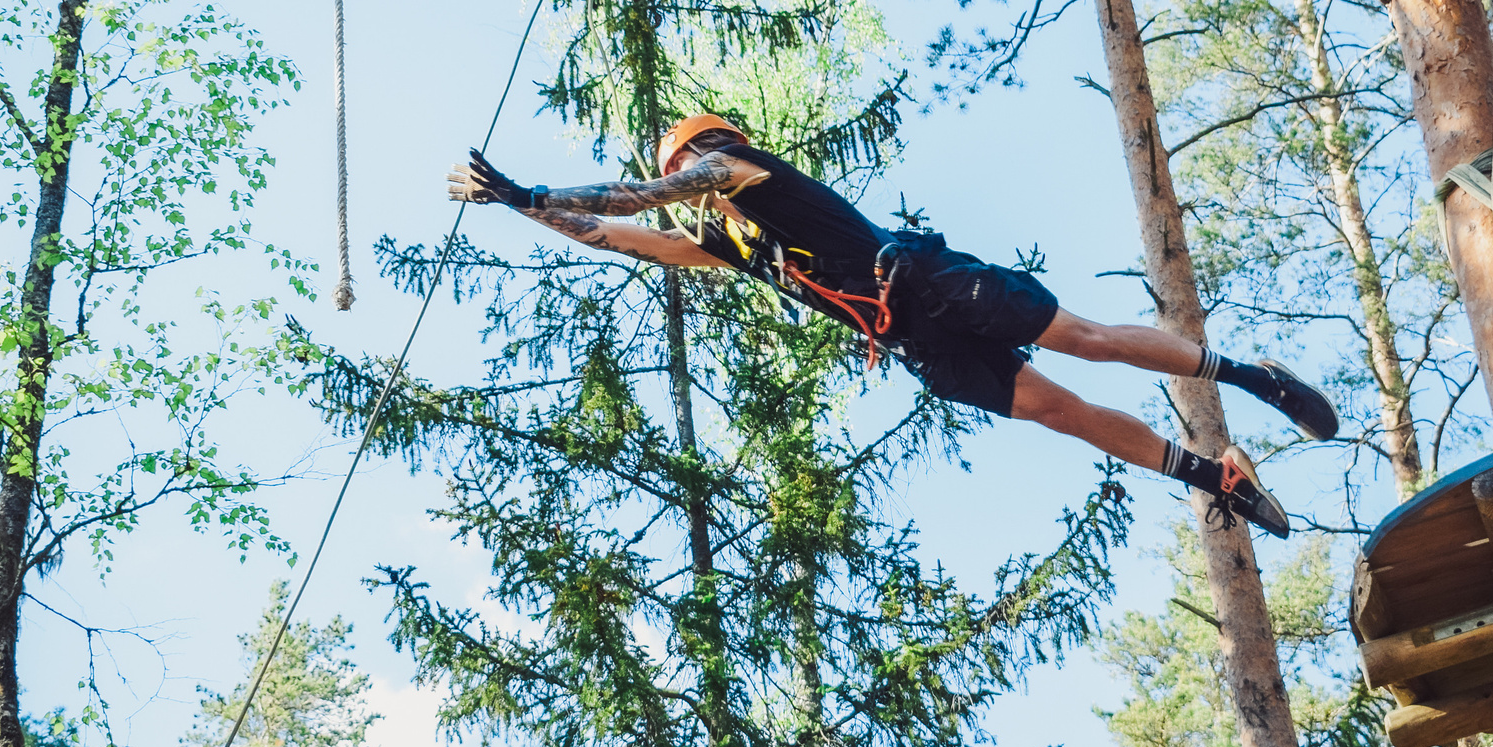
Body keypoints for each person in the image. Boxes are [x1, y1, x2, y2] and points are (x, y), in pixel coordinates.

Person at [446, 113, 1337, 536]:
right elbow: (622, 234)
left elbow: (652, 194)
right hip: (913, 340)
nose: (693, 168)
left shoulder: (747, 173)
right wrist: (518, 206)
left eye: (695, 155)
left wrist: (532, 186)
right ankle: (1213, 475)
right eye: (689, 159)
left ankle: (1255, 377)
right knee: (1057, 412)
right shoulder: (732, 243)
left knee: (1092, 341)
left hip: (930, 281)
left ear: (719, 147)